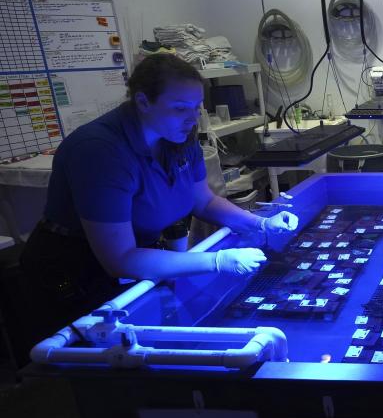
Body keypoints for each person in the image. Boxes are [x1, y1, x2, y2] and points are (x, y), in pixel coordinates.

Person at [19, 53, 297, 332]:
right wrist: (215, 261)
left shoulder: (179, 135)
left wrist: (260, 224)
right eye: (179, 108)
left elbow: (205, 200)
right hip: (75, 269)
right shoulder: (100, 151)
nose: (192, 119)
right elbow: (120, 259)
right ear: (143, 102)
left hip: (140, 253)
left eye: (197, 107)